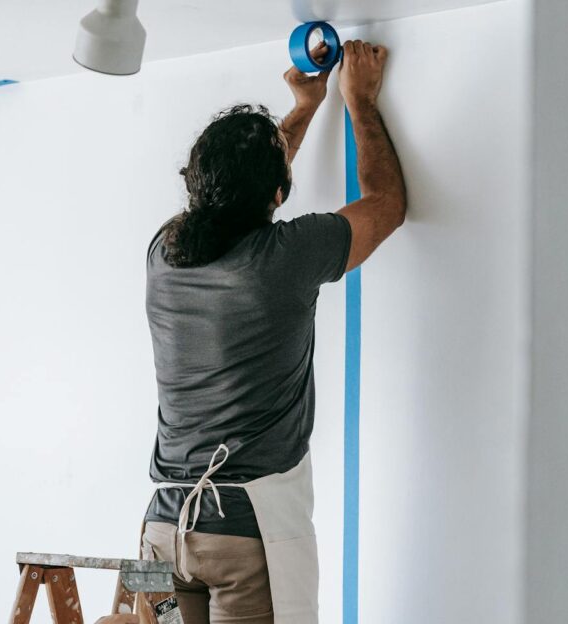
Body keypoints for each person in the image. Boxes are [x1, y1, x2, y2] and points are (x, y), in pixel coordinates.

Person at [141, 39, 406, 624]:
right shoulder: (284, 257)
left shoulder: (167, 250)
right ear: (279, 194)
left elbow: (240, 187)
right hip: (244, 533)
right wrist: (358, 102)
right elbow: (385, 204)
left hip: (160, 533)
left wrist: (305, 107)